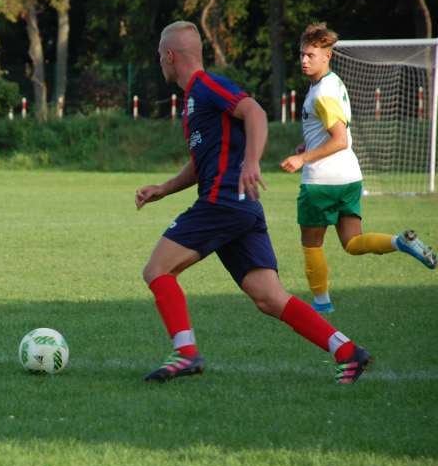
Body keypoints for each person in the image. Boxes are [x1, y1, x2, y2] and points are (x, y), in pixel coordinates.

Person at [136, 21, 370, 384]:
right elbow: (202, 163)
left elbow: (255, 112)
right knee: (269, 298)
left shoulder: (207, 85)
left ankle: (185, 353)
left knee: (157, 270)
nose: (160, 63)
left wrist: (250, 162)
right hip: (240, 207)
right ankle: (347, 351)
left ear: (169, 56)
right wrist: (164, 188)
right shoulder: (193, 100)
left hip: (223, 202)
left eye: (159, 57)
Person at [281, 22, 436, 313]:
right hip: (350, 177)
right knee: (352, 242)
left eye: (310, 55)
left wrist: (303, 159)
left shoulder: (321, 94)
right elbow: (332, 134)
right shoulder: (333, 82)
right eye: (302, 54)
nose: (304, 60)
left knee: (311, 243)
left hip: (321, 182)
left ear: (327, 56)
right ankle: (399, 242)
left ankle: (322, 305)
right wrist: (307, 148)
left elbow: (339, 140)